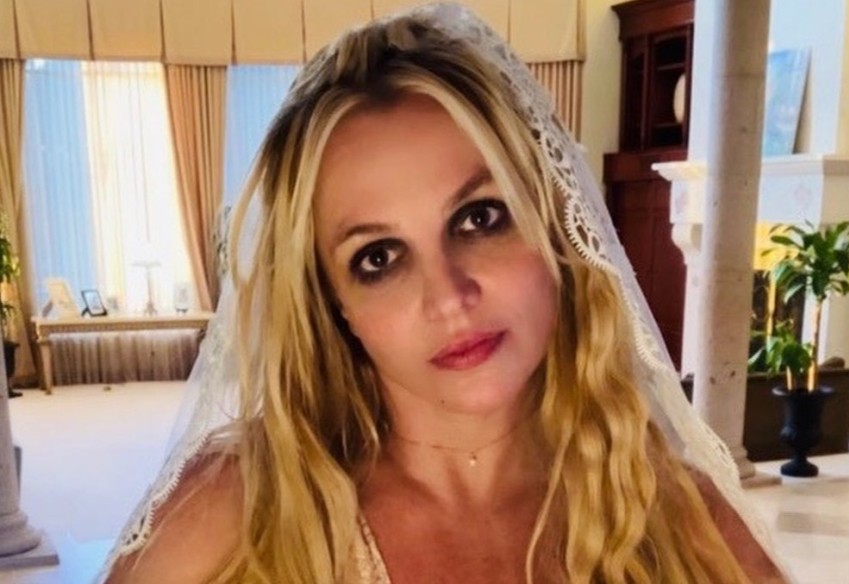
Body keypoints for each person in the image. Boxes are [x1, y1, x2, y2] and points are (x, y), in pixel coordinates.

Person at [101, 4, 789, 583]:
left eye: (479, 218)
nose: (449, 297)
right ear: (335, 304)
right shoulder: (238, 511)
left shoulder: (672, 514)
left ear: (555, 222)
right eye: (378, 258)